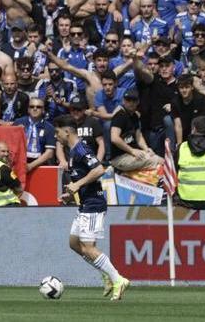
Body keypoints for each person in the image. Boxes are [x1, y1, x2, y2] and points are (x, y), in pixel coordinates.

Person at [54, 114, 130, 299]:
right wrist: (71, 194)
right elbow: (86, 179)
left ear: (66, 131)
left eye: (57, 132)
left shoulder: (81, 149)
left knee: (88, 247)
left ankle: (118, 279)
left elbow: (98, 169)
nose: (56, 136)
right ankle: (106, 274)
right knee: (74, 243)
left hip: (94, 205)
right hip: (85, 203)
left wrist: (77, 185)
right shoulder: (73, 151)